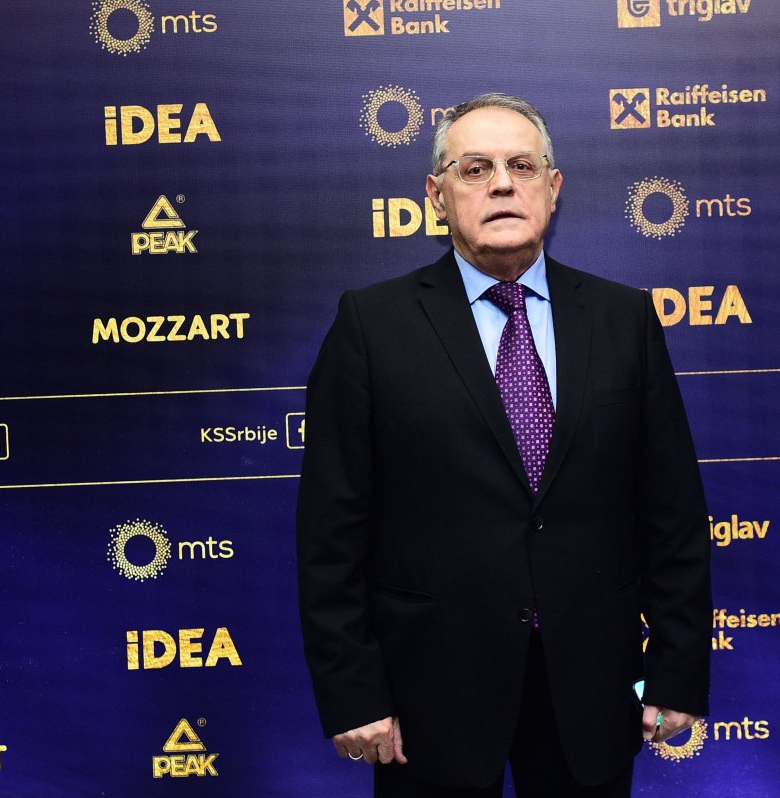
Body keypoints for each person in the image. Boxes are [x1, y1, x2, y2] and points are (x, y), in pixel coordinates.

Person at [297, 92, 711, 798]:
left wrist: (676, 672)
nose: (501, 184)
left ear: (553, 187)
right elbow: (330, 533)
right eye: (475, 168)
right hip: (430, 696)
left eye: (522, 166)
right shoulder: (371, 325)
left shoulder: (624, 318)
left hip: (591, 689)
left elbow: (672, 515)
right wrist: (352, 690)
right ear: (436, 196)